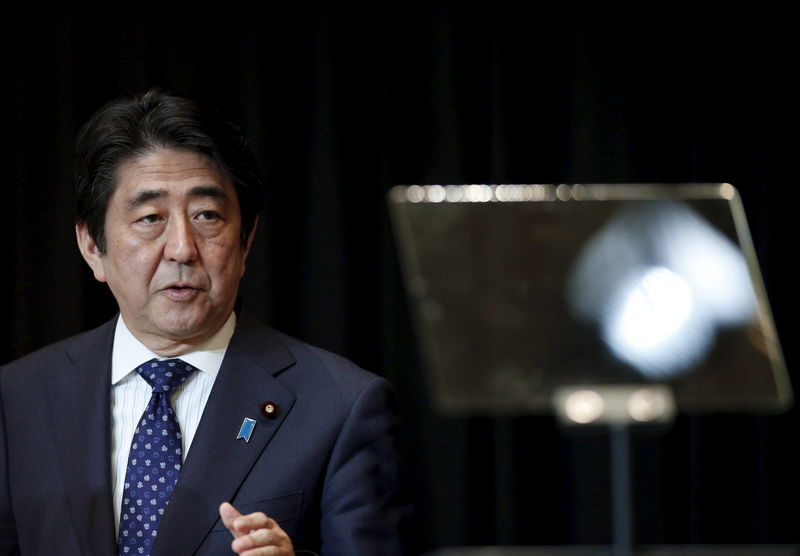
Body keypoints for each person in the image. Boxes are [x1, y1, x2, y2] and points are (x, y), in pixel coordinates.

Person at [0, 90, 411, 555]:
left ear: (246, 239)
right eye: (150, 217)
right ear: (93, 247)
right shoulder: (19, 399)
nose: (182, 248)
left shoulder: (340, 406)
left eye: (207, 216)